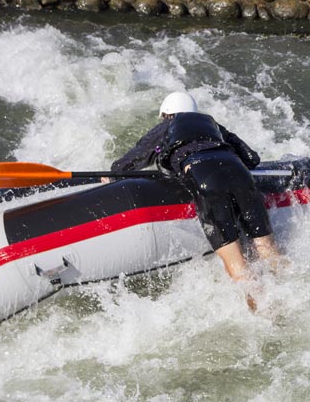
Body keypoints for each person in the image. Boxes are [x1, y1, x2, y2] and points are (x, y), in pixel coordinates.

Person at [112, 92, 282, 309]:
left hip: (205, 178)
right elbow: (252, 159)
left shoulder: (168, 125)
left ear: (165, 114)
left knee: (236, 263)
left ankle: (266, 313)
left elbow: (128, 163)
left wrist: (113, 174)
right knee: (266, 245)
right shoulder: (213, 124)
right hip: (239, 173)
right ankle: (291, 290)